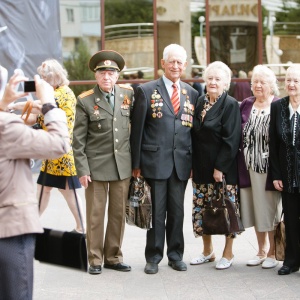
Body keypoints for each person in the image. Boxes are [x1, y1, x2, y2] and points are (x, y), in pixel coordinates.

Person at [0, 73, 70, 300]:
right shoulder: (6, 127)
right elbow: (59, 143)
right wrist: (49, 104)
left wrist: (4, 104)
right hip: (9, 230)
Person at [130, 44, 198, 274]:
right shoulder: (146, 90)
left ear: (185, 65)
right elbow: (137, 130)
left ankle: (176, 254)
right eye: (172, 61)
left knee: (177, 212)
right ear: (163, 63)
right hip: (154, 163)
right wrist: (136, 165)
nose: (176, 66)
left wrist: (193, 165)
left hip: (181, 164)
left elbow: (193, 133)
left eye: (180, 62)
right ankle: (154, 256)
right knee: (157, 213)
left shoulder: (192, 93)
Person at [73, 50, 134, 275]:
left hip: (122, 166)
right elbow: (78, 140)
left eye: (110, 73)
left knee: (118, 214)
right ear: (96, 76)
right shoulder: (85, 100)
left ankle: (114, 257)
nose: (106, 77)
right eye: (102, 73)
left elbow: (133, 130)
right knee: (96, 214)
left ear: (117, 76)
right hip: (96, 167)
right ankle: (95, 259)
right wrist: (82, 170)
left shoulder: (128, 95)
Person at [13, 59, 86, 234]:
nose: (41, 81)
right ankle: (31, 225)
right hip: (53, 152)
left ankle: (82, 227)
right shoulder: (55, 92)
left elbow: (38, 108)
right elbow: (34, 118)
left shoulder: (62, 94)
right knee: (45, 190)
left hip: (61, 152)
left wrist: (12, 104)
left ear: (53, 78)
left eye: (44, 77)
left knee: (70, 193)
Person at [190, 61, 241, 270]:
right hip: (201, 168)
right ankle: (207, 251)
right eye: (210, 78)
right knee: (203, 210)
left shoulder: (230, 104)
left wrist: (220, 168)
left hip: (223, 170)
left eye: (218, 79)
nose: (213, 82)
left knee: (226, 210)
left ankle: (228, 253)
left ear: (226, 83)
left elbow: (231, 139)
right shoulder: (200, 101)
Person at [238, 65, 282, 269]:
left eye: (262, 82)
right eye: (255, 81)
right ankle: (261, 250)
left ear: (271, 86)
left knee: (270, 211)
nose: (257, 85)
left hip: (269, 169)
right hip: (248, 167)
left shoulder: (279, 106)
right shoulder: (246, 104)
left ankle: (273, 252)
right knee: (255, 209)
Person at [269, 64, 300, 275]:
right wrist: (276, 175)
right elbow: (273, 144)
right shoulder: (278, 106)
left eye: (296, 80)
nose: (291, 84)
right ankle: (291, 260)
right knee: (290, 219)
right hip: (287, 175)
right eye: (288, 79)